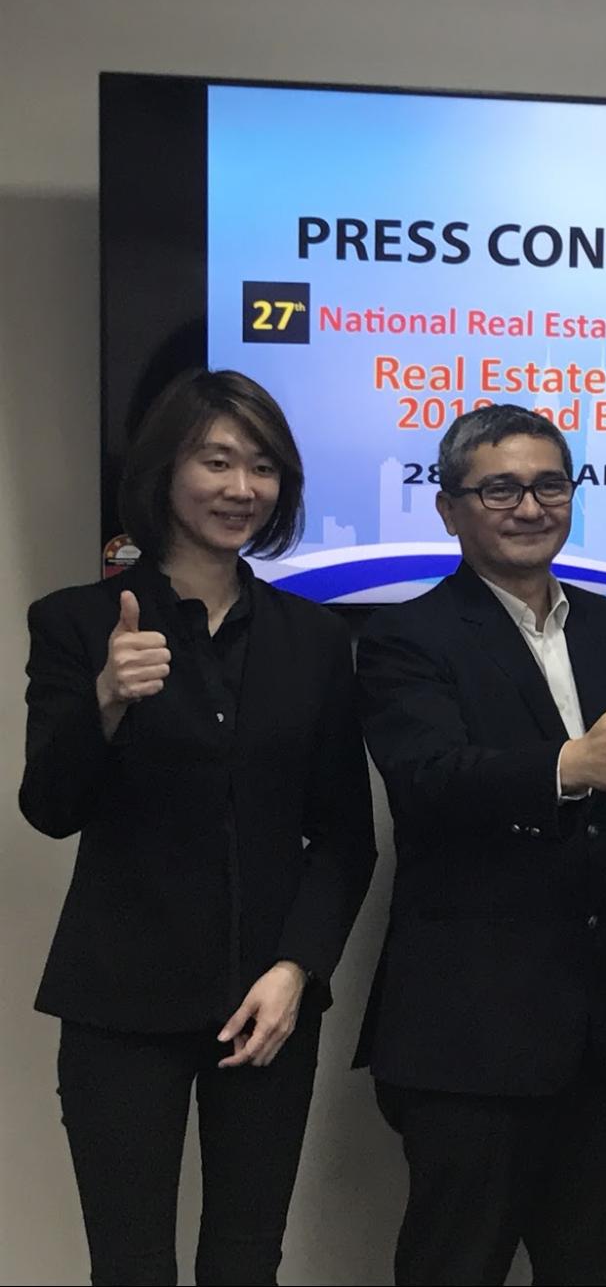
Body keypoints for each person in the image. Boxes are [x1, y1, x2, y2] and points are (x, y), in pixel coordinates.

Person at [20, 369, 377, 1285]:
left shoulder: (314, 638)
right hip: (120, 1003)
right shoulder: (78, 622)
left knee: (247, 1259)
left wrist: (298, 969)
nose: (241, 488)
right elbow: (49, 808)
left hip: (265, 1003)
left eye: (263, 467)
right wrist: (105, 701)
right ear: (164, 470)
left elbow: (345, 837)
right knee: (131, 1263)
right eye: (216, 461)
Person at [353, 404, 606, 1286]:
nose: (530, 507)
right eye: (499, 489)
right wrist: (567, 766)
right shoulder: (403, 636)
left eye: (550, 485)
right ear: (449, 508)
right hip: (471, 1032)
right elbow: (427, 781)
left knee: (595, 1267)